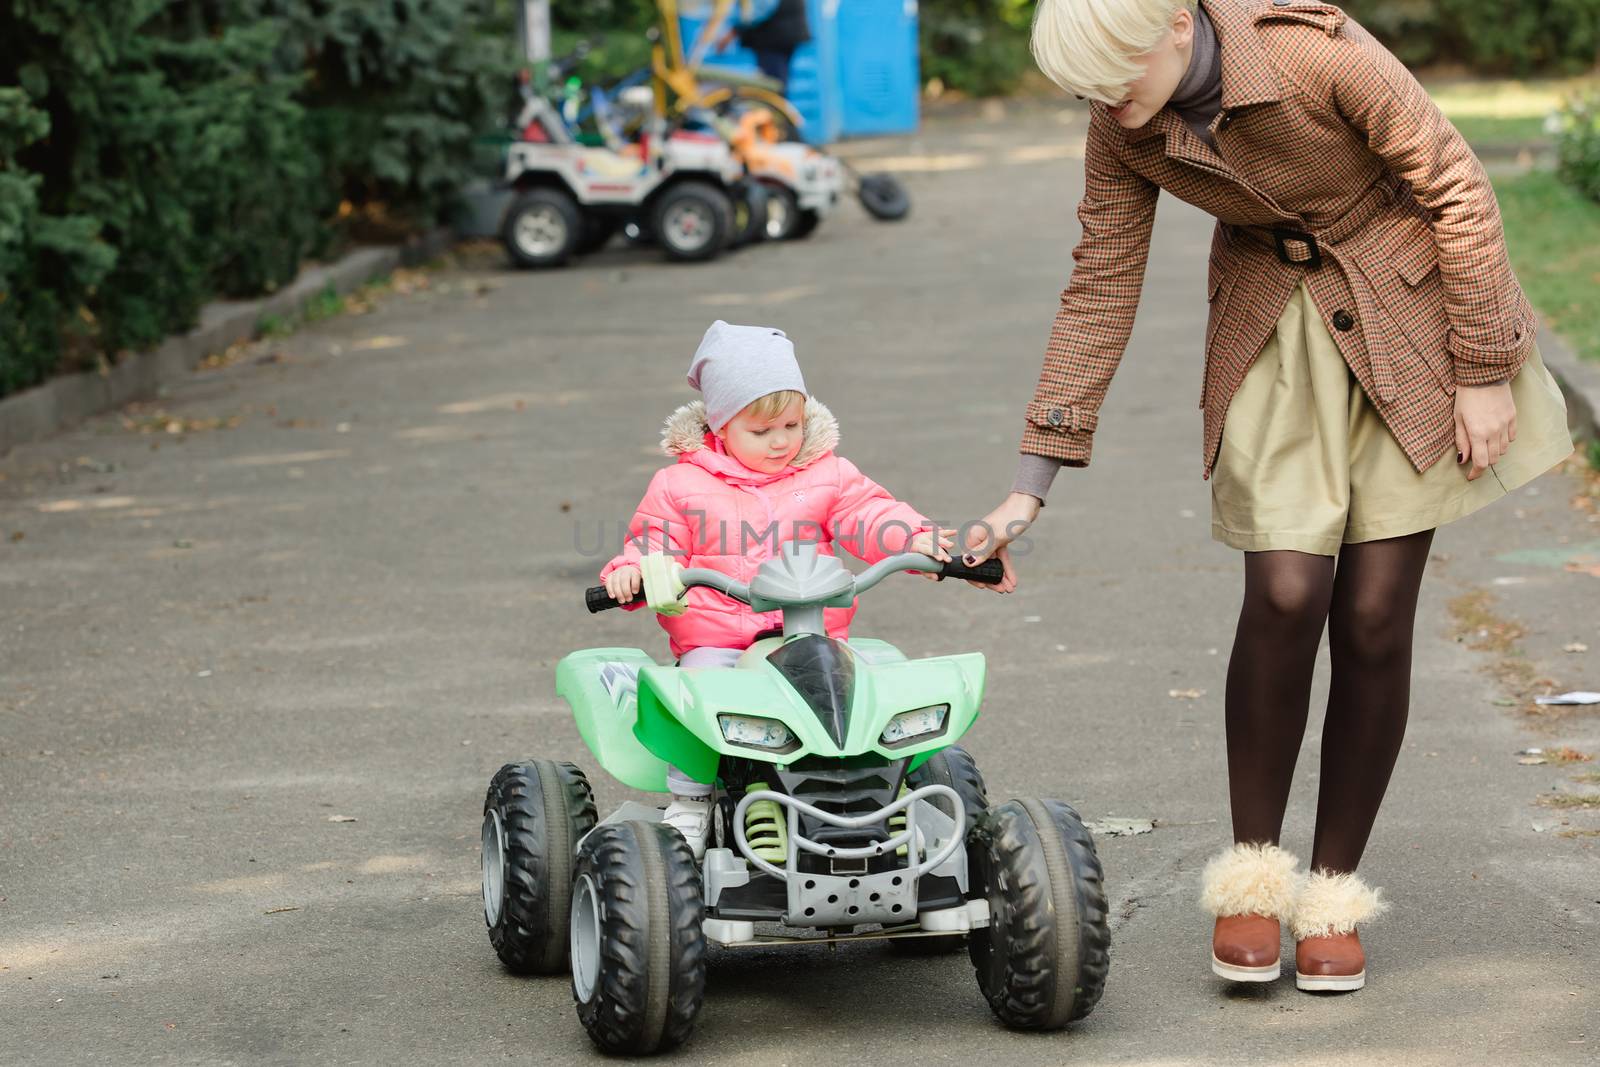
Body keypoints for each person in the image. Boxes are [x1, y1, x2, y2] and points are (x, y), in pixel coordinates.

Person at [964, 0, 1573, 993]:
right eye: (1088, 95)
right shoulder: (1123, 118)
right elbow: (1100, 279)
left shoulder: (1305, 53)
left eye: (1117, 84)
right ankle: (1253, 877)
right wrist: (1033, 478)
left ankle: (1332, 891)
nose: (1110, 112)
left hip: (1408, 323)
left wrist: (1483, 365)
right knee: (1287, 592)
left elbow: (1455, 185)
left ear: (1170, 28)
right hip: (1273, 328)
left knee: (1374, 614)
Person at [599, 320, 953, 859]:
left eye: (791, 423)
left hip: (810, 635)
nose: (781, 441)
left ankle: (893, 799)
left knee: (871, 698)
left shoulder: (826, 473)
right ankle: (691, 804)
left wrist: (914, 539)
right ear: (720, 424)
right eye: (761, 432)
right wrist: (635, 572)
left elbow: (868, 513)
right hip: (719, 637)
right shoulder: (681, 484)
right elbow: (656, 541)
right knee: (695, 693)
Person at [719, 0, 811, 94]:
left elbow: (760, 8)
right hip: (784, 33)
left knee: (771, 86)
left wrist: (734, 31)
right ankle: (777, 106)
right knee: (777, 83)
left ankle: (775, 107)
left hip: (773, 37)